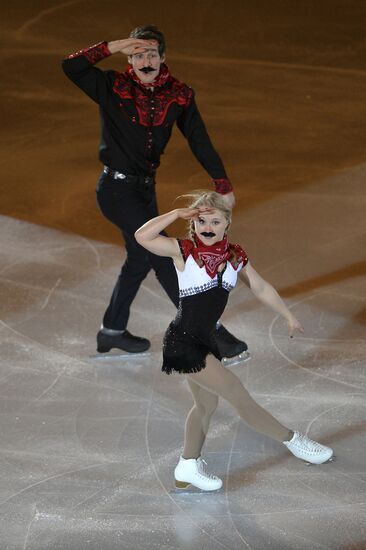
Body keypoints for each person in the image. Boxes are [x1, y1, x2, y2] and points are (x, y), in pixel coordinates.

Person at [62, 25, 247, 359]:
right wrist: (113, 46)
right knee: (161, 255)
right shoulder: (111, 86)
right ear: (128, 59)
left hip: (145, 191)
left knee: (138, 258)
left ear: (163, 57)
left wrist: (223, 183)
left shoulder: (178, 94)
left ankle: (112, 331)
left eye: (150, 53)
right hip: (115, 191)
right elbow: (71, 66)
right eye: (137, 54)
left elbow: (199, 138)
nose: (145, 61)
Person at [135, 190, 334, 491]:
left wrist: (287, 315)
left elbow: (260, 286)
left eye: (216, 221)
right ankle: (295, 442)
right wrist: (176, 215)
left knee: (205, 406)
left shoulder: (234, 256)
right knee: (237, 395)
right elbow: (143, 236)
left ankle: (188, 465)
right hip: (184, 342)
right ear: (194, 224)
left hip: (206, 341)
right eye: (202, 221)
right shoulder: (183, 251)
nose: (208, 227)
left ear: (227, 224)